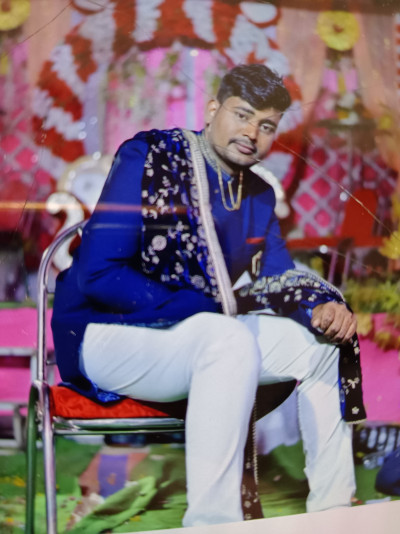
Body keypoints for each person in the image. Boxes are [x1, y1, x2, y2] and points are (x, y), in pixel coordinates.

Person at [51, 64, 366, 527]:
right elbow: (98, 274)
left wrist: (321, 305)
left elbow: (277, 277)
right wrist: (206, 309)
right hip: (105, 334)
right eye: (242, 115)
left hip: (197, 338)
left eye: (266, 126)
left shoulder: (257, 195)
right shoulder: (149, 156)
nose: (252, 134)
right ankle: (213, 524)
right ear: (213, 108)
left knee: (321, 344)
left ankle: (334, 515)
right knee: (226, 337)